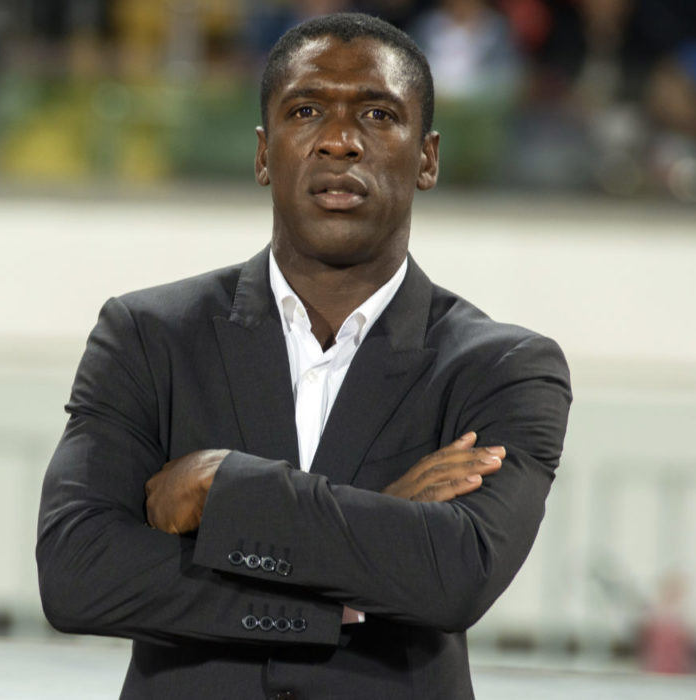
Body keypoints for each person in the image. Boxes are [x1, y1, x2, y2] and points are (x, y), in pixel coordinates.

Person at [36, 12, 571, 700]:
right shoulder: (147, 334)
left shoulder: (506, 366)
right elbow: (78, 573)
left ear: (428, 157)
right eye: (308, 109)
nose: (341, 141)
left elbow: (454, 575)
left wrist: (221, 484)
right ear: (264, 153)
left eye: (378, 113)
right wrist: (367, 538)